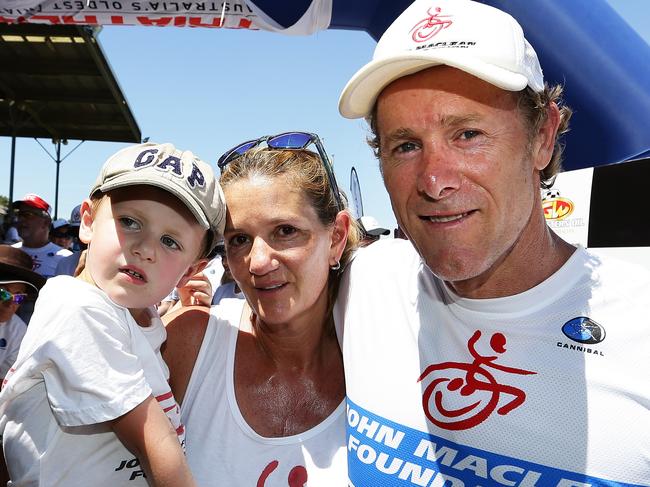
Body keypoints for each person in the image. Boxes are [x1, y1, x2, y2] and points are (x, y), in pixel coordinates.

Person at [335, 0, 649, 485]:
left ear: (543, 137)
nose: (435, 180)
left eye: (468, 134)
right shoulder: (366, 284)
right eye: (406, 145)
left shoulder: (640, 322)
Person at [0, 142, 226, 486]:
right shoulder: (77, 307)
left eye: (170, 242)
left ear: (190, 269)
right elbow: (156, 445)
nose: (145, 248)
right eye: (130, 221)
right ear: (88, 222)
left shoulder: (140, 318)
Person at [163, 132, 359, 486]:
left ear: (336, 238)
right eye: (239, 240)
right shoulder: (190, 341)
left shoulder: (383, 362)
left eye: (285, 231)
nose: (258, 262)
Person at [0, 245, 46, 379]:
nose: (10, 304)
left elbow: (3, 381)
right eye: (3, 293)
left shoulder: (18, 330)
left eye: (19, 297)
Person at [11, 193, 72, 278]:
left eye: (28, 215)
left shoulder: (66, 258)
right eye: (19, 214)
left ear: (46, 222)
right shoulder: (8, 253)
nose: (21, 219)